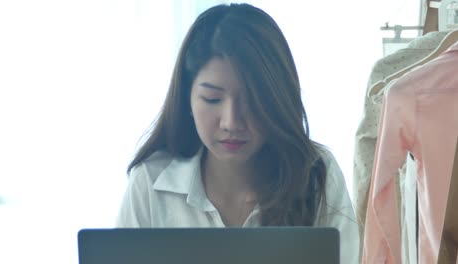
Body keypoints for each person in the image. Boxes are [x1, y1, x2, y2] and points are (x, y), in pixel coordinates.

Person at [116, 3, 359, 264]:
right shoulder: (151, 182)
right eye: (211, 99)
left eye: (252, 101)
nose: (231, 122)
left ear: (277, 100)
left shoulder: (315, 174)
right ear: (187, 98)